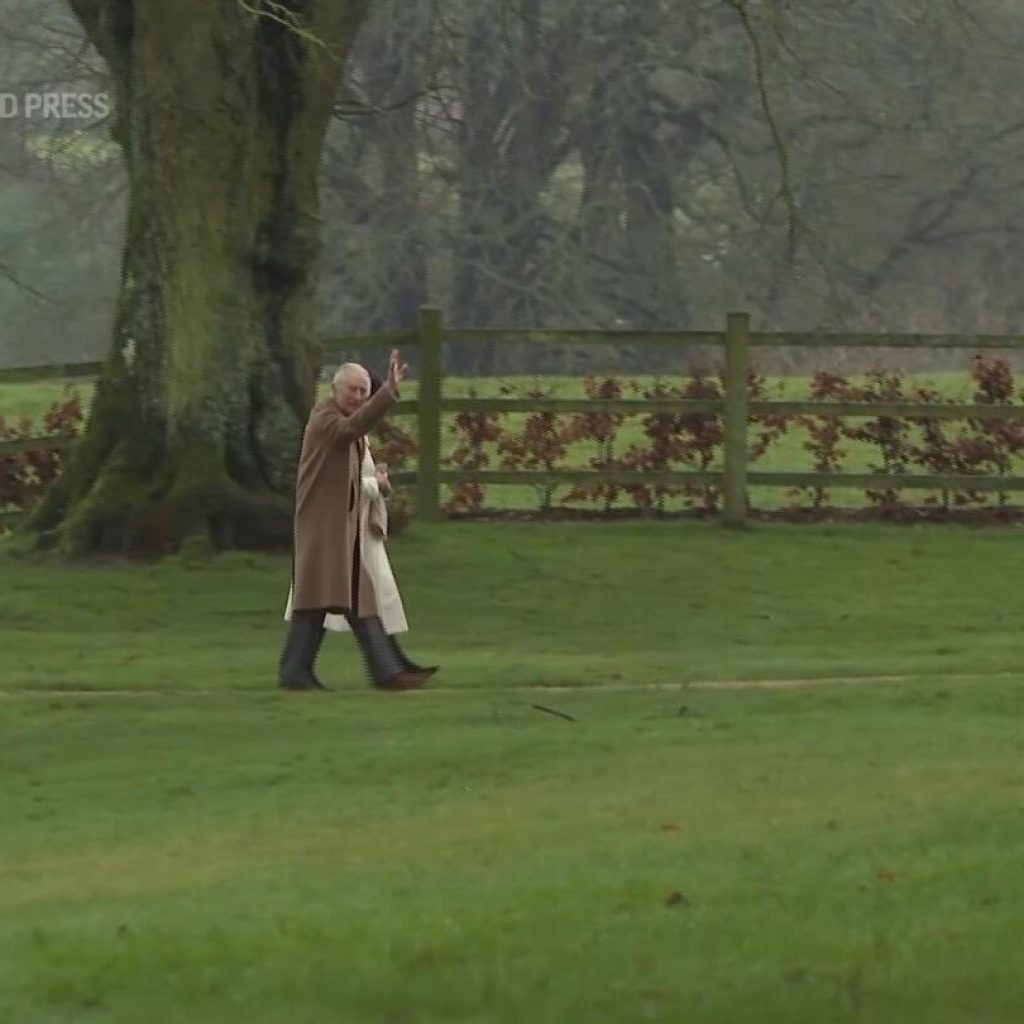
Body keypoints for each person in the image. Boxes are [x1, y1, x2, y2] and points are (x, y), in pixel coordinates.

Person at [278, 350, 432, 692]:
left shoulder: (337, 420)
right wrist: (387, 393)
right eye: (354, 390)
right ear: (335, 389)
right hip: (324, 525)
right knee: (335, 597)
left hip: (335, 526)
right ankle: (384, 672)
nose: (359, 397)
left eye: (365, 391)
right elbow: (351, 428)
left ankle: (299, 671)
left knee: (327, 598)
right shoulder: (326, 418)